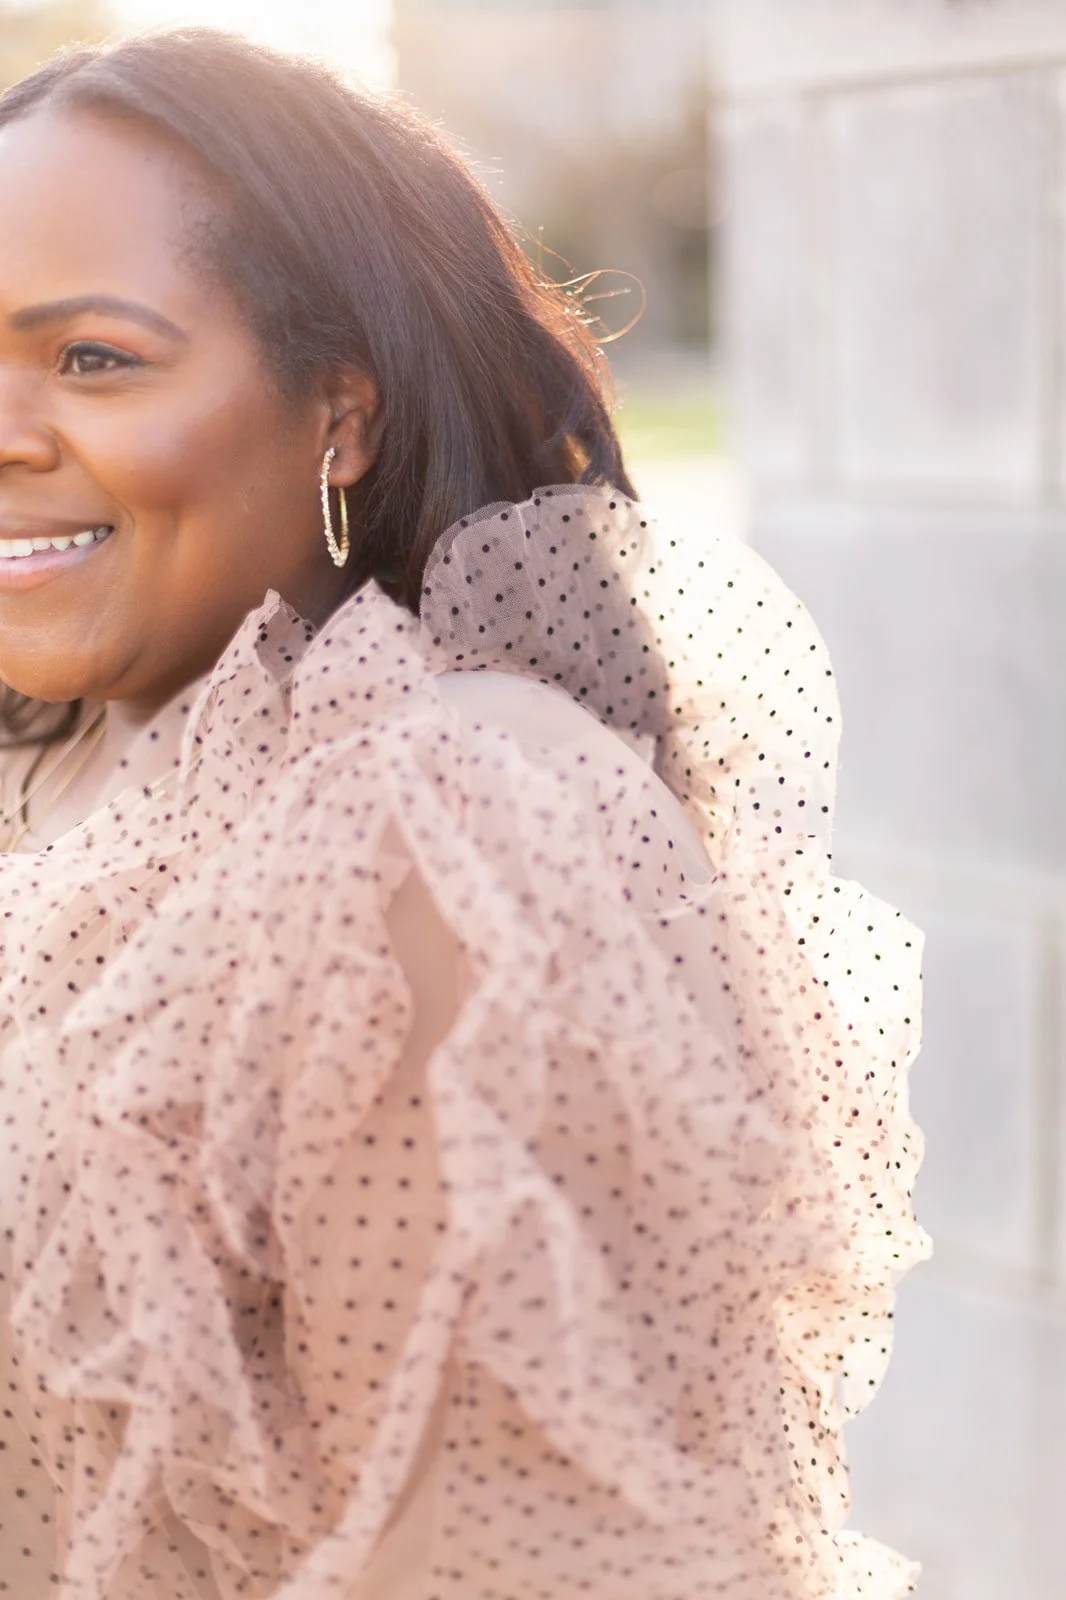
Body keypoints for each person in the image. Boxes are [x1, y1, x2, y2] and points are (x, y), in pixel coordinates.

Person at [0, 28, 929, 1600]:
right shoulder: (71, 764)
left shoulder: (442, 818)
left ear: (338, 413)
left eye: (94, 358)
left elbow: (508, 1555)